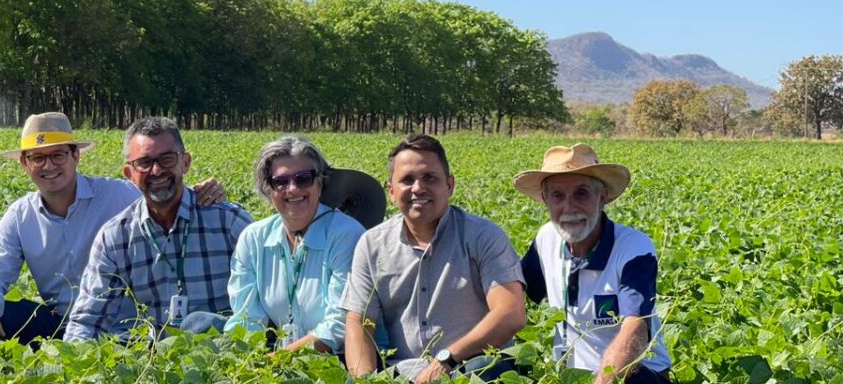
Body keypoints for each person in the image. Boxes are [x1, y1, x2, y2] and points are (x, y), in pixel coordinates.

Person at [0, 112, 226, 342]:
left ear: (76, 155)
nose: (48, 166)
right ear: (24, 164)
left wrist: (202, 192)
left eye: (58, 155)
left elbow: (163, 196)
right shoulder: (20, 216)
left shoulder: (117, 196)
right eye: (37, 158)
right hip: (61, 322)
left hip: (126, 326)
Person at [341, 134, 526, 382]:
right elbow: (359, 323)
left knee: (489, 370)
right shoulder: (372, 244)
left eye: (430, 177)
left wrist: (447, 359)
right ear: (392, 192)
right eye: (407, 180)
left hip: (470, 368)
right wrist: (365, 380)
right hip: (402, 373)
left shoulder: (483, 236)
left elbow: (510, 313)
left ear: (449, 185)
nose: (418, 187)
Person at [64, 116, 253, 341]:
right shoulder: (116, 237)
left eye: (167, 159)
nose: (156, 171)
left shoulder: (228, 222)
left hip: (225, 356)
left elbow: (270, 302)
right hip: (155, 362)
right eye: (144, 163)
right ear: (129, 174)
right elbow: (87, 321)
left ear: (185, 162)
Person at [514, 144, 672, 383]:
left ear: (603, 197)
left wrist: (603, 380)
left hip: (633, 374)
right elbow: (514, 294)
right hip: (572, 376)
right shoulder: (546, 239)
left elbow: (635, 327)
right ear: (545, 200)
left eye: (581, 193)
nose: (569, 207)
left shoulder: (633, 248)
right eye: (557, 195)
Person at [225, 136, 365, 354]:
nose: (292, 189)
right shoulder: (253, 239)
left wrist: (280, 360)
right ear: (268, 189)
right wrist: (249, 362)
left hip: (338, 359)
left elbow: (340, 325)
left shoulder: (346, 235)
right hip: (283, 357)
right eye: (280, 182)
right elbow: (246, 318)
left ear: (319, 183)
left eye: (303, 179)